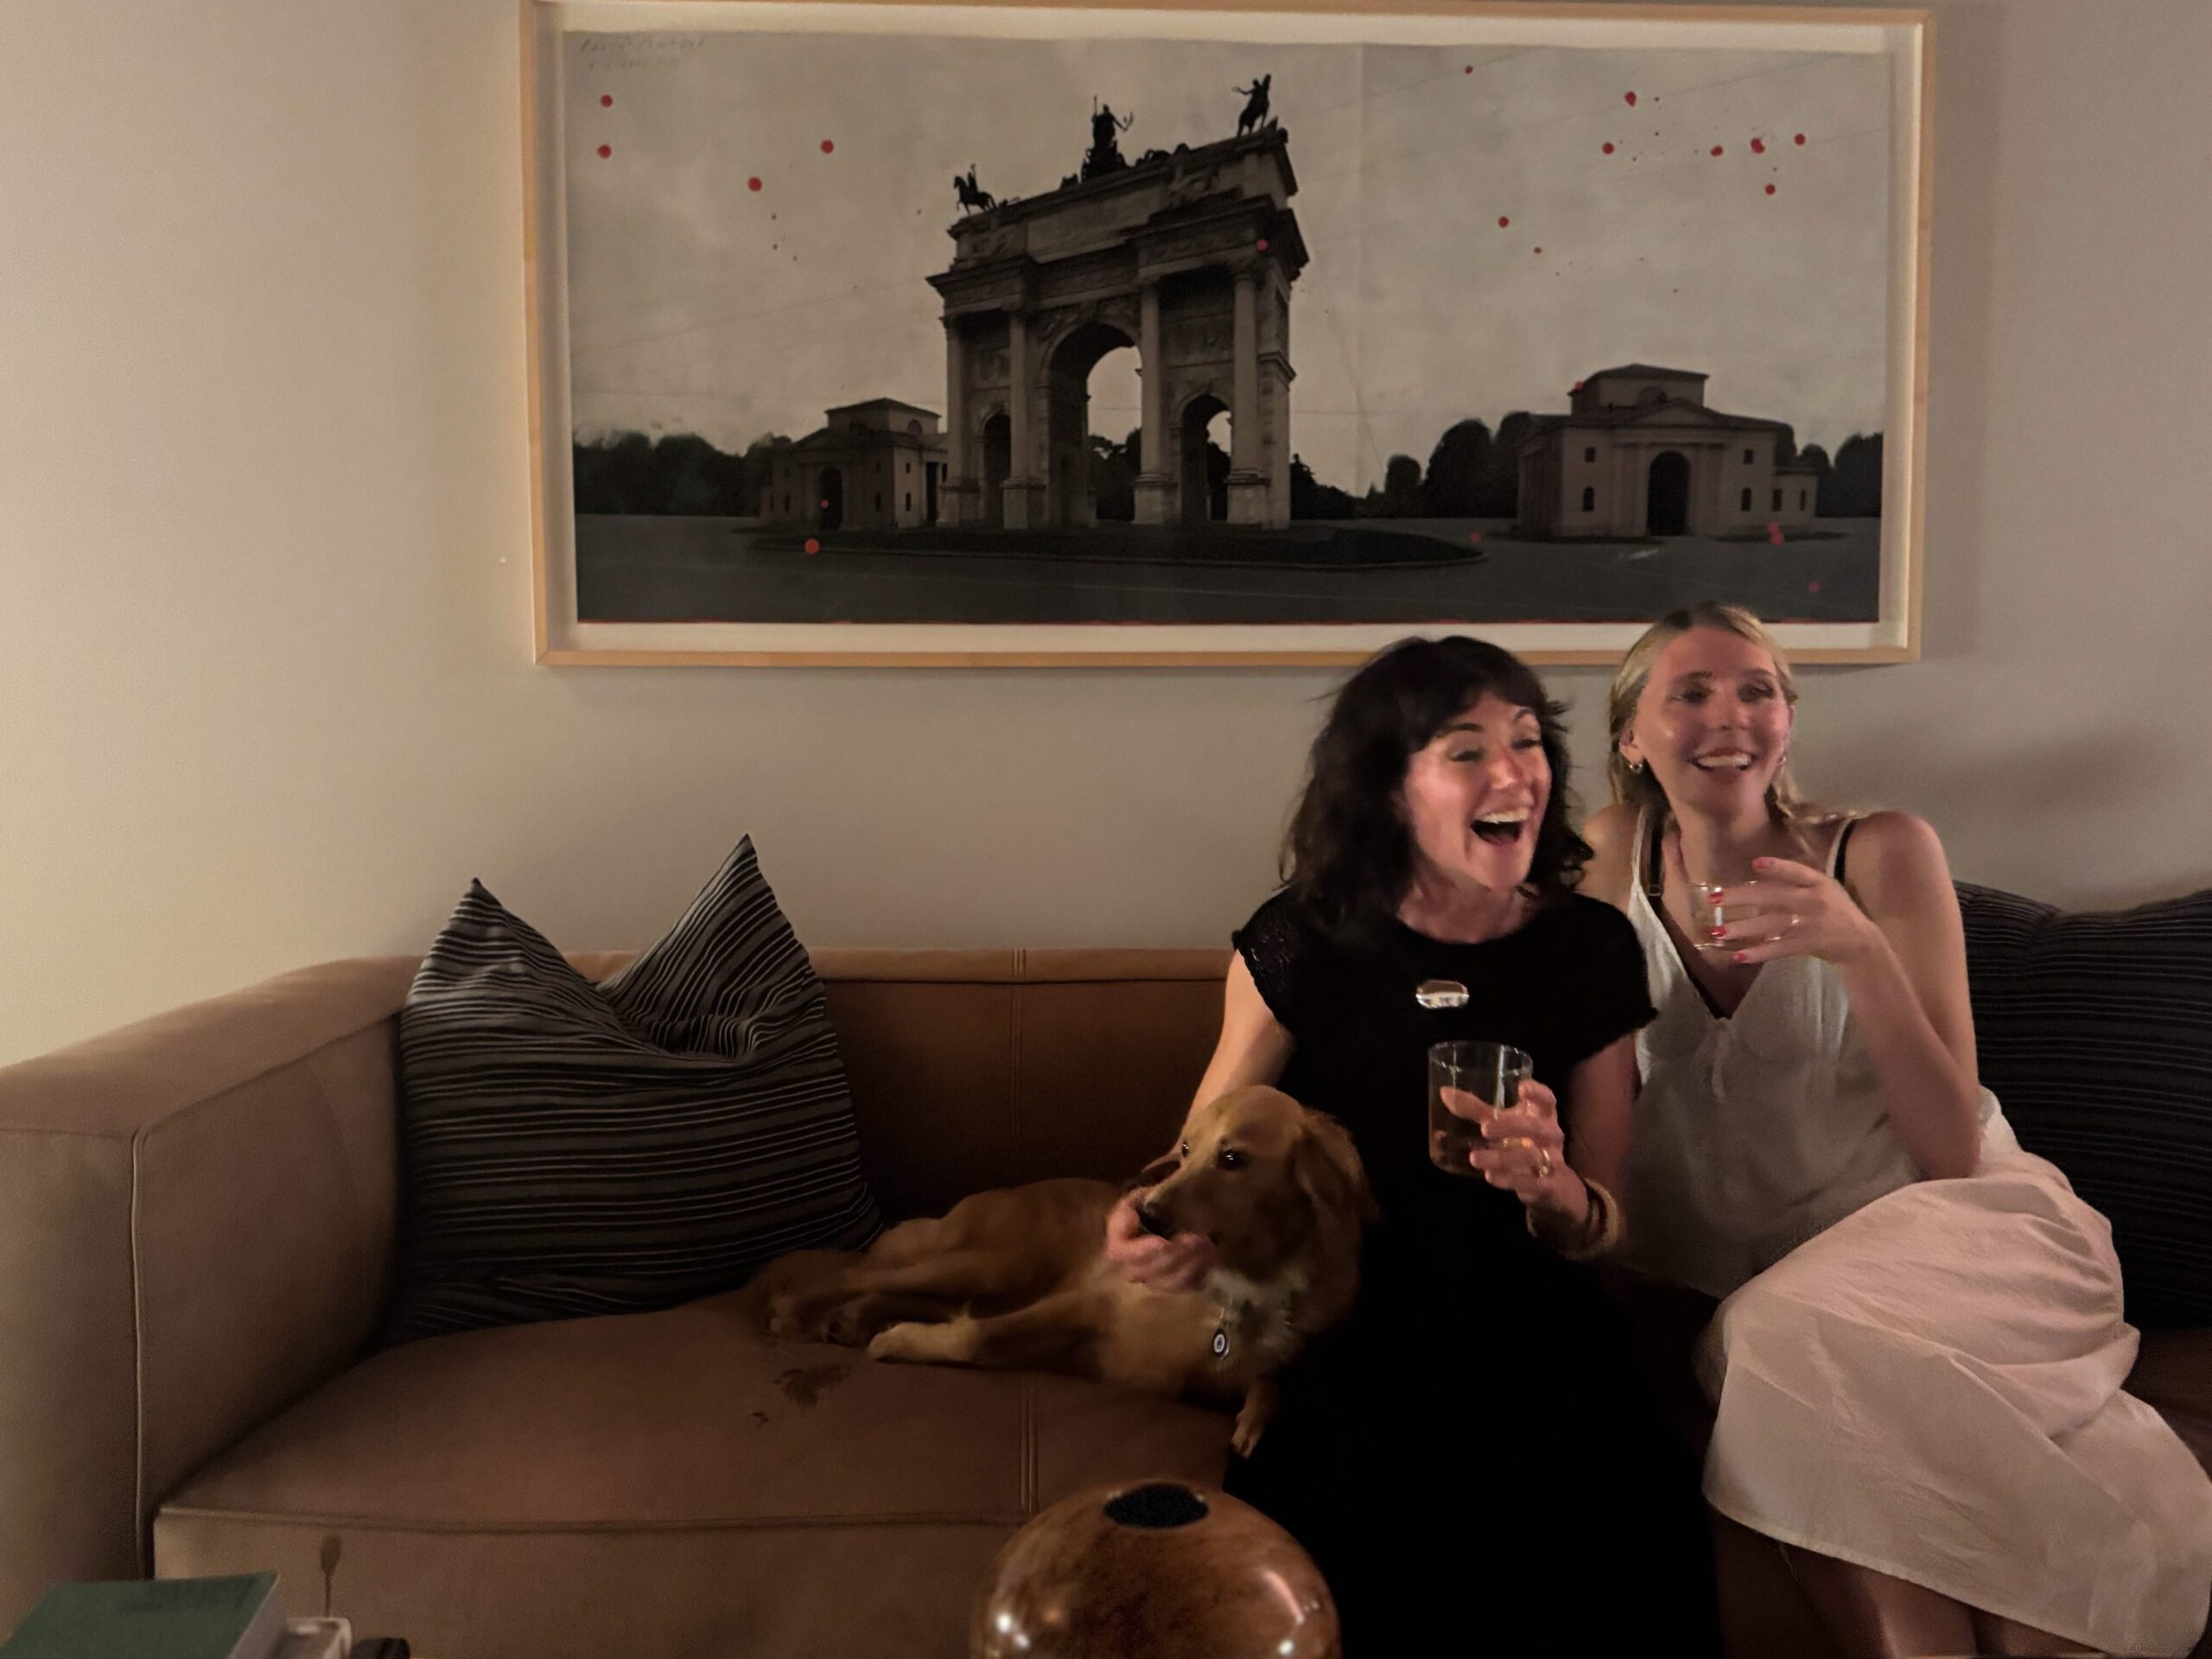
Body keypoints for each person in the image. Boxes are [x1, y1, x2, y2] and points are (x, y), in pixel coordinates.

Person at [1582, 601, 2212, 1657]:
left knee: (1764, 1342)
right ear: (1631, 738)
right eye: (1689, 693)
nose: (1728, 715)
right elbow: (1598, 1099)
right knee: (1787, 1364)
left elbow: (1951, 1150)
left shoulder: (1880, 850)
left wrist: (1858, 953)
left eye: (1756, 690)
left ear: (1787, 720)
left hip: (1946, 1237)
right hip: (1757, 1277)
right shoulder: (1611, 854)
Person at [1107, 635, 1719, 1653]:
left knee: (1628, 1527)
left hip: (1534, 1324)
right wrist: (1148, 1234)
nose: (1513, 773)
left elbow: (1604, 1229)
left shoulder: (1588, 948)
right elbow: (1189, 1164)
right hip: (1344, 1320)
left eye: (1526, 742)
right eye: (1465, 750)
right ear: (1388, 790)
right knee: (1355, 1539)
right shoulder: (1300, 943)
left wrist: (1555, 1190)